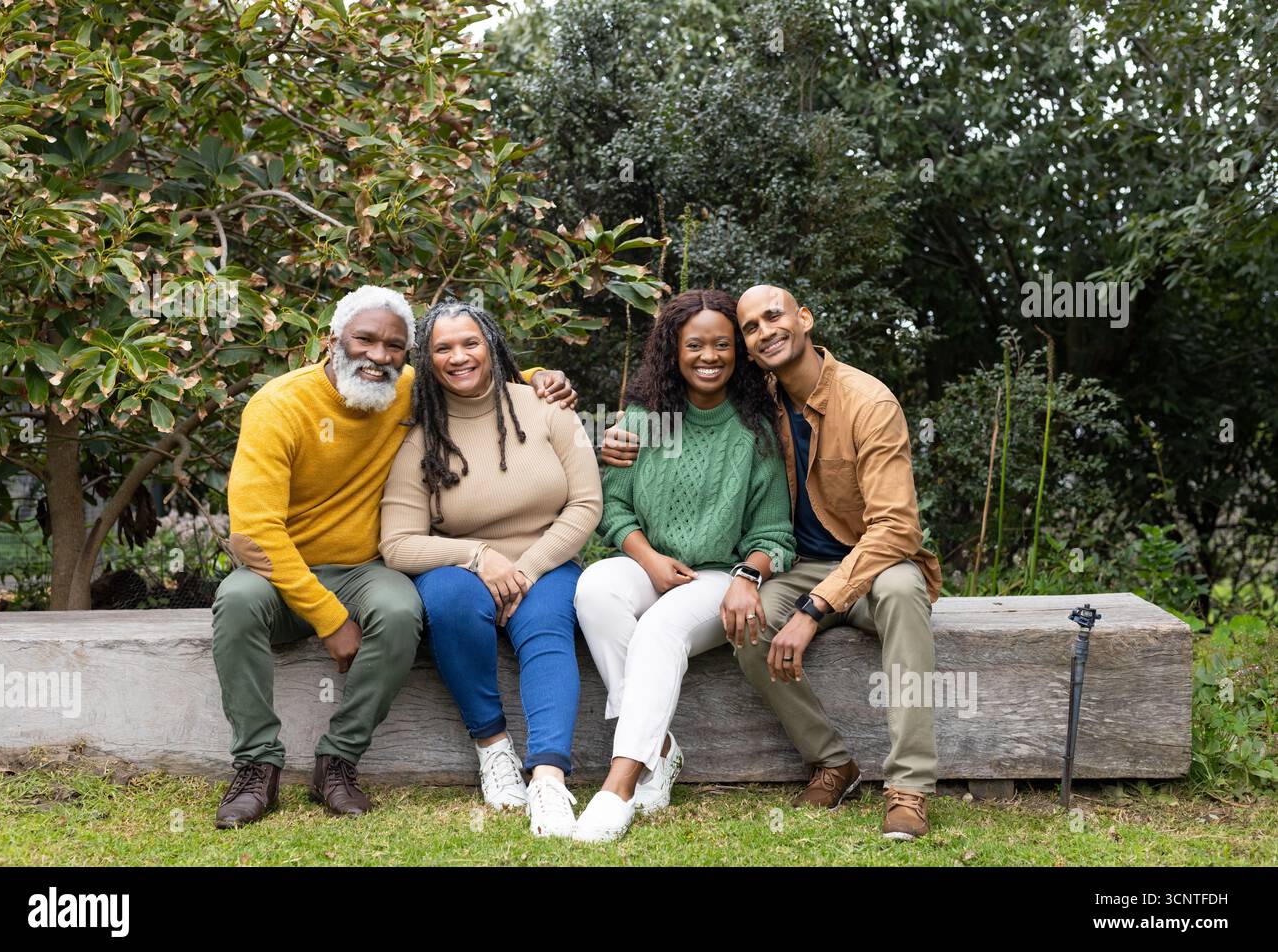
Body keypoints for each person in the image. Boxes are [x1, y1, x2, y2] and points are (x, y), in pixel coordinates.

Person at [213, 285, 575, 828]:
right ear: (332, 340)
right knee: (235, 602)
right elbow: (256, 534)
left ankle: (338, 762)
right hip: (279, 570)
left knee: (402, 610)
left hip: (365, 568)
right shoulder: (279, 406)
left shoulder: (405, 389)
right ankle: (255, 766)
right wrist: (329, 618)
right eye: (365, 341)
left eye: (395, 346)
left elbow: (472, 375)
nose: (379, 356)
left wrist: (542, 377)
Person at [601, 283, 942, 840]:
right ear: (747, 347)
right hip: (798, 562)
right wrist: (614, 437)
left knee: (905, 597)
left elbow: (898, 527)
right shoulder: (757, 395)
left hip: (875, 561)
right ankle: (832, 761)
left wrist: (814, 609)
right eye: (752, 329)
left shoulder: (868, 402)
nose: (764, 332)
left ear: (805, 318)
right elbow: (678, 398)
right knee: (747, 621)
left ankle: (909, 786)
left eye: (774, 317)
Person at [570, 289, 796, 843]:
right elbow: (613, 509)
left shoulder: (755, 432)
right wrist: (648, 560)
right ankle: (661, 748)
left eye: (723, 344)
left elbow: (775, 534)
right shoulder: (643, 419)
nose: (709, 355)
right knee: (595, 587)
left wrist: (748, 576)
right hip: (654, 566)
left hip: (719, 576)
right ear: (674, 350)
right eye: (695, 344)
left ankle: (618, 786)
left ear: (738, 353)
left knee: (661, 627)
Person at [379, 299, 602, 838]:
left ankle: (549, 777)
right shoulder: (419, 438)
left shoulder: (548, 408)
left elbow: (586, 505)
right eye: (443, 348)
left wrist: (525, 570)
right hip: (463, 568)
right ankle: (493, 749)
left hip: (546, 561)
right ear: (426, 362)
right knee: (451, 602)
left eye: (470, 343)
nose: (459, 356)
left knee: (548, 625)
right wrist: (478, 557)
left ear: (492, 345)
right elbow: (398, 544)